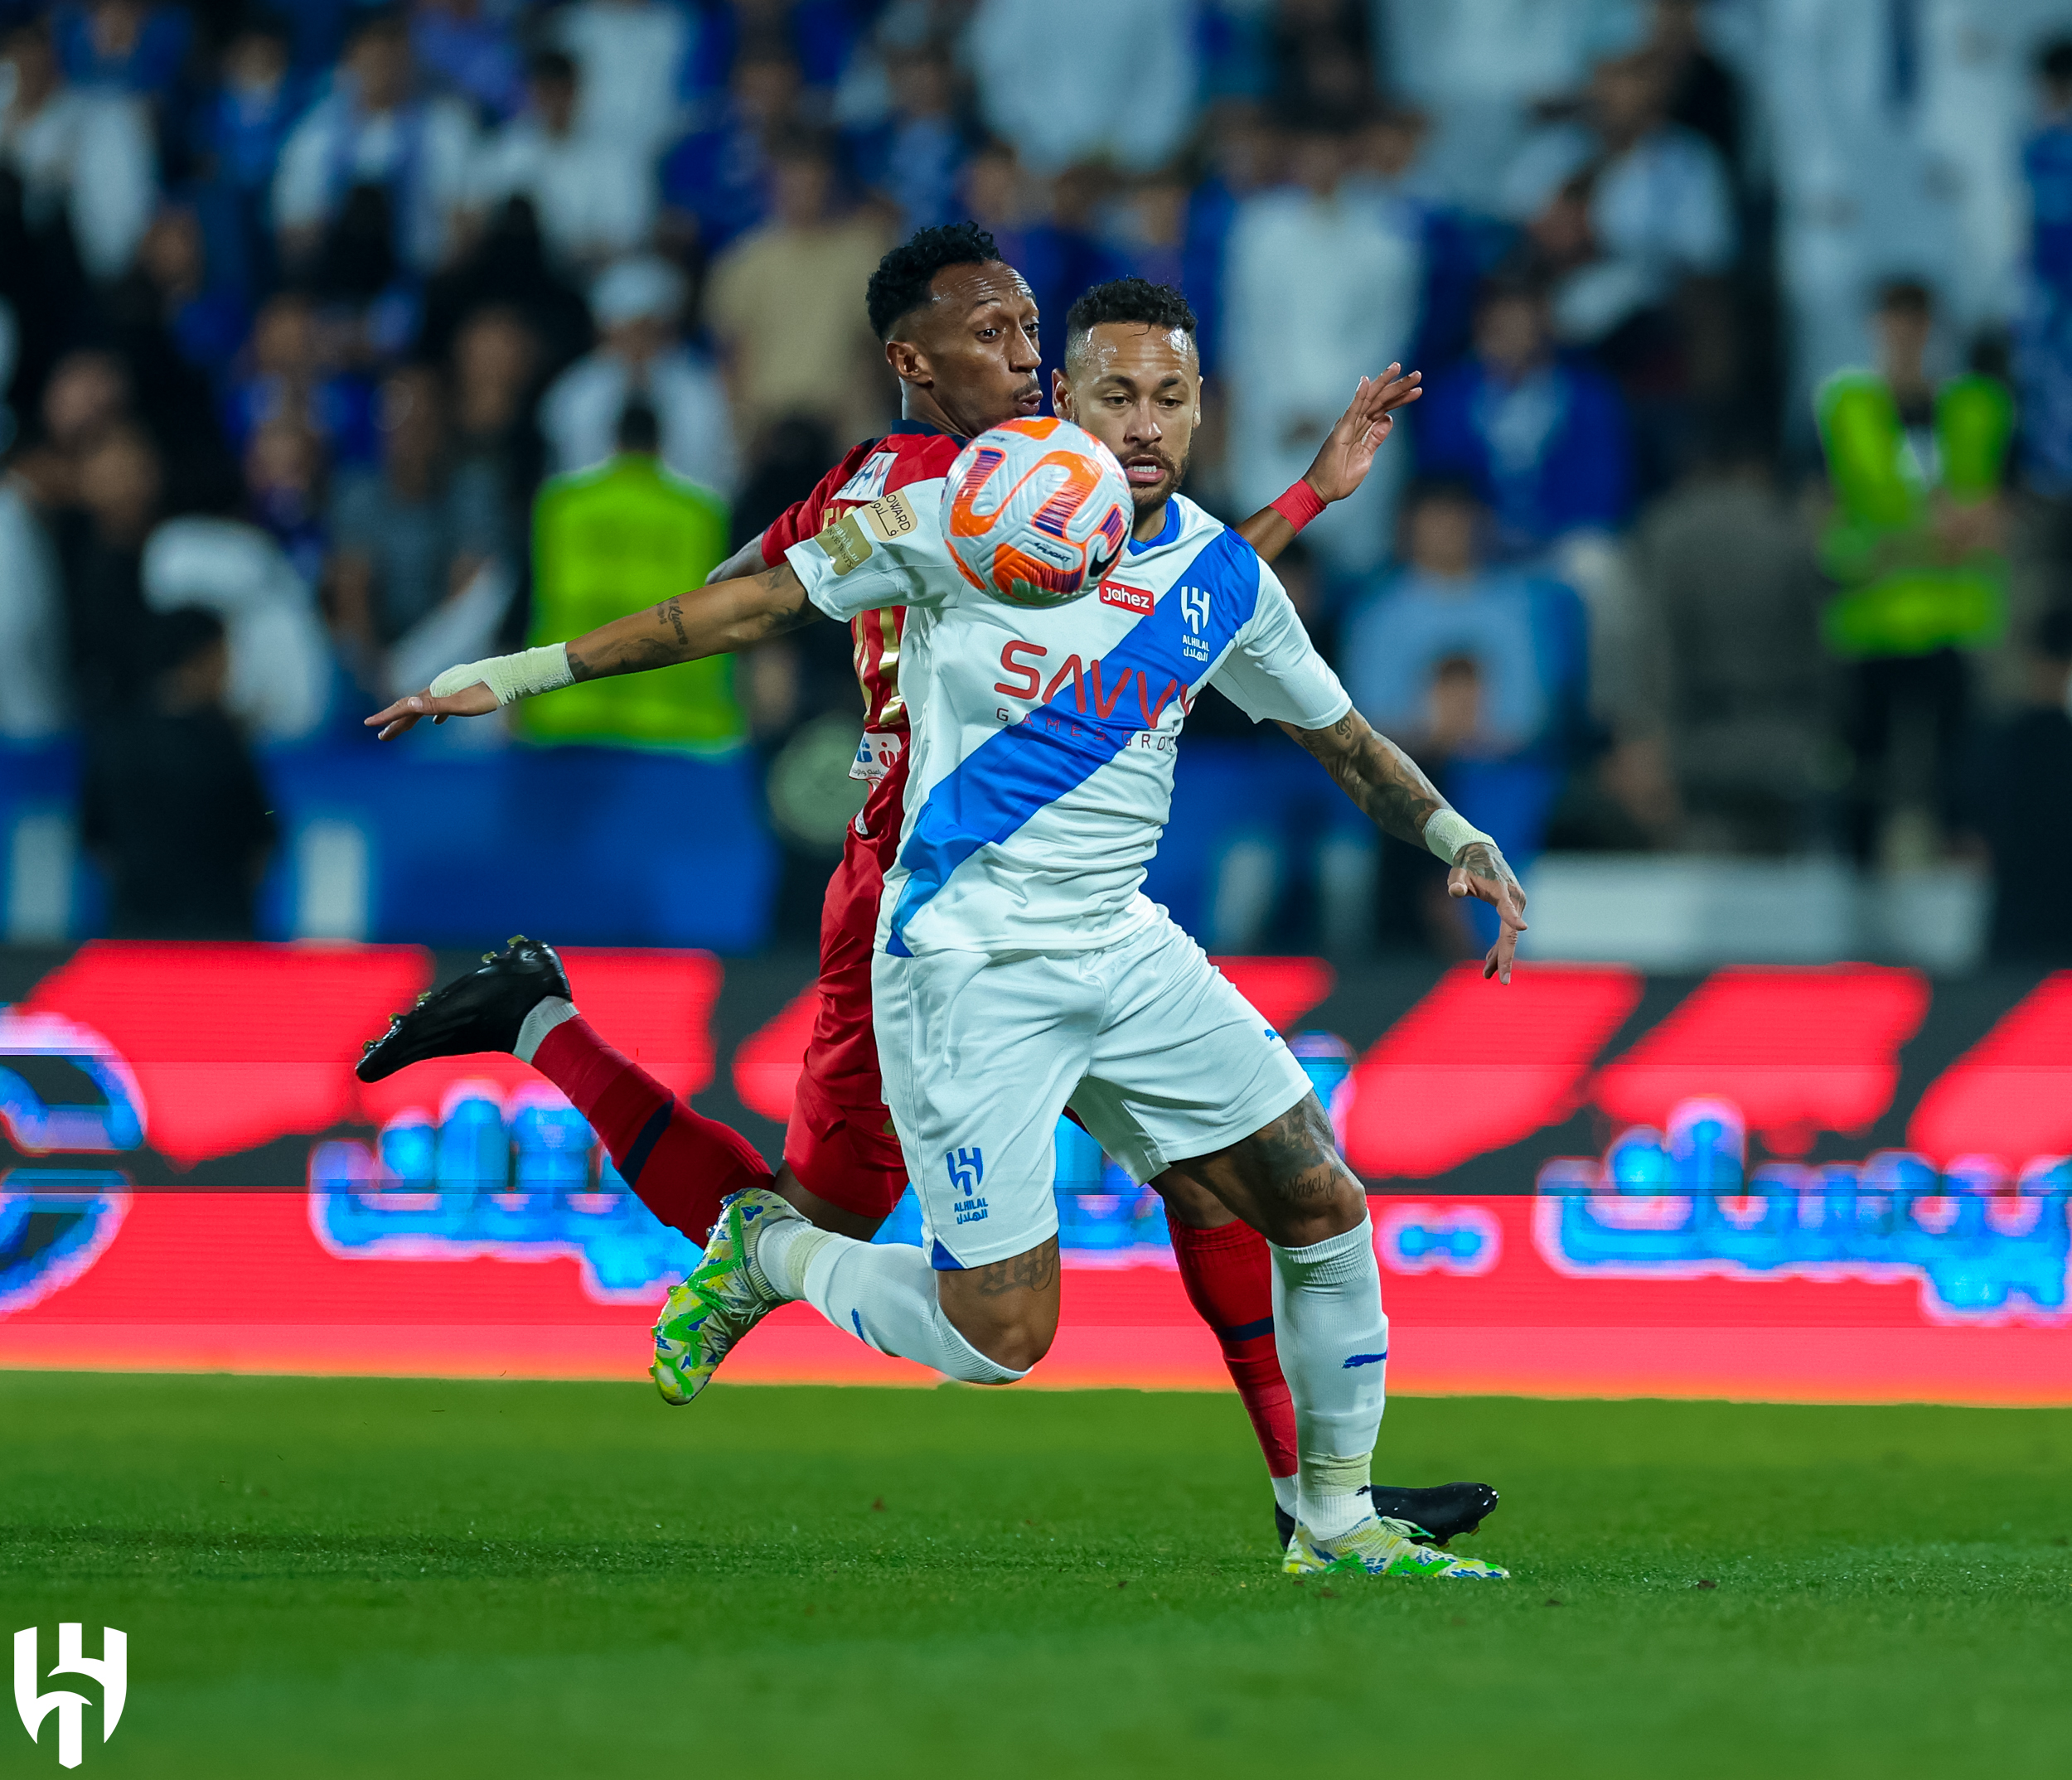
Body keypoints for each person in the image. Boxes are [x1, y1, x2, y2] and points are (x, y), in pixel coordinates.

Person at [359, 228, 1498, 1560]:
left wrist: (1306, 512)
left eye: (1036, 336)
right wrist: (522, 671)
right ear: (936, 368)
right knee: (874, 1251)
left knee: (1269, 1189)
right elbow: (743, 606)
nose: (1024, 360)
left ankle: (1325, 1507)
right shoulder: (941, 497)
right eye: (1022, 348)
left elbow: (1170, 598)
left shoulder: (1097, 512)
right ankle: (616, 1106)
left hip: (1101, 924)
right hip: (938, 920)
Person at [80, 604, 277, 938]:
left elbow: (97, 842)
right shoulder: (223, 744)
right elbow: (261, 836)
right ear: (201, 658)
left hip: (134, 932)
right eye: (224, 656)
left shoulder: (115, 738)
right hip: (218, 935)